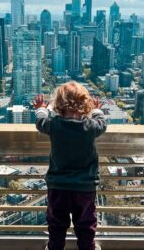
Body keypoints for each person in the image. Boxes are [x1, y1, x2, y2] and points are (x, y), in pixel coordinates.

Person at [33, 81, 107, 250]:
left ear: (58, 103)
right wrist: (96, 109)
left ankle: (55, 247)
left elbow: (40, 121)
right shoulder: (90, 127)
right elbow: (102, 123)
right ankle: (88, 248)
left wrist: (41, 107)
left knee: (57, 224)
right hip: (85, 187)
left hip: (58, 186)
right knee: (86, 224)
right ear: (85, 103)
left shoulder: (54, 125)